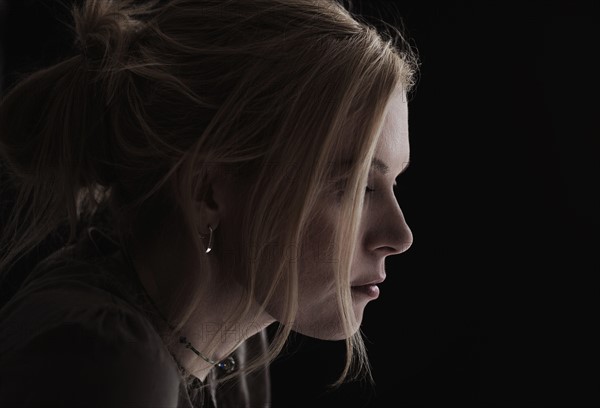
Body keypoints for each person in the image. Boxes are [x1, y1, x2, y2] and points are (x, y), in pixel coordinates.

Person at [0, 0, 418, 406]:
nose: (400, 236)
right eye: (359, 186)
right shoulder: (109, 367)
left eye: (393, 182)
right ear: (208, 193)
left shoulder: (231, 354)